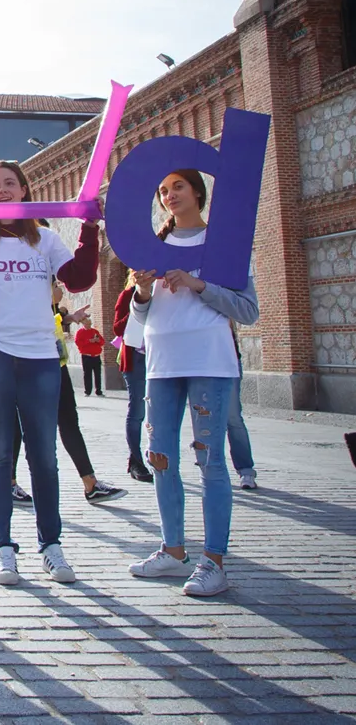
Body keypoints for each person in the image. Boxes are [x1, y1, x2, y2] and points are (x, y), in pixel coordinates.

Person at [0, 160, 99, 586]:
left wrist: (89, 228)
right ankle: (4, 548)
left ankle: (51, 545)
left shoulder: (44, 239)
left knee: (43, 454)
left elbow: (80, 278)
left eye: (11, 183)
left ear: (26, 190)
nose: (3, 190)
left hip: (39, 353)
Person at [127, 169, 259, 597]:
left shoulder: (223, 242)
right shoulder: (155, 244)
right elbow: (142, 315)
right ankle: (173, 549)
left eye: (177, 187)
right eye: (163, 190)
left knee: (210, 461)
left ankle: (214, 561)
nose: (169, 195)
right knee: (160, 457)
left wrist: (198, 283)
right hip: (162, 362)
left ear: (197, 192)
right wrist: (142, 293)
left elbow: (247, 309)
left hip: (209, 362)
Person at [10, 282, 127, 506]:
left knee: (69, 422)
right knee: (19, 424)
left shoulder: (47, 306)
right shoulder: (26, 297)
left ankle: (91, 484)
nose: (61, 290)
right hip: (30, 365)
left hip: (57, 366)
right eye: (55, 285)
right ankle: (10, 483)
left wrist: (70, 317)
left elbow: (51, 319)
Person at [113, 274, 154, 482]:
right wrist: (138, 307)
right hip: (137, 360)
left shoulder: (163, 295)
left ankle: (156, 456)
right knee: (137, 411)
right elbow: (117, 328)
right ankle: (136, 461)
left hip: (160, 359)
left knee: (157, 412)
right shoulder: (127, 295)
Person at [226, 327, 258, 490]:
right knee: (202, 418)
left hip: (227, 359)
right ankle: (209, 469)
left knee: (233, 418)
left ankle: (246, 470)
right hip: (198, 363)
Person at [74, 316, 104, 396]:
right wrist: (89, 341)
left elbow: (102, 342)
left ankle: (99, 391)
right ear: (83, 324)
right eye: (87, 324)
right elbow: (78, 343)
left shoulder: (95, 331)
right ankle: (87, 391)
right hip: (86, 356)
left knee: (98, 374)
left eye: (90, 324)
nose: (89, 325)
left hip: (96, 356)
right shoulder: (80, 332)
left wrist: (98, 340)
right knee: (87, 374)